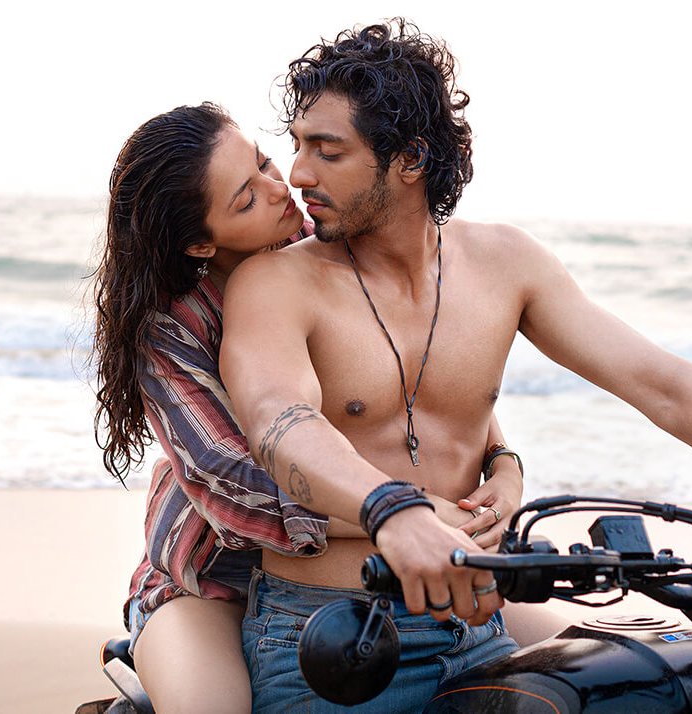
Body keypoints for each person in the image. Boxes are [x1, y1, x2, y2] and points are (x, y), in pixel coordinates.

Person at [219, 18, 692, 712]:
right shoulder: (278, 282)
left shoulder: (505, 265)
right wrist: (391, 510)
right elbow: (279, 419)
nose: (298, 172)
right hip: (330, 641)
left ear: (408, 159)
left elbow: (668, 389)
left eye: (327, 150)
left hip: (477, 626)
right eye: (297, 145)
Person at [89, 102, 526, 713]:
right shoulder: (172, 329)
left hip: (381, 558)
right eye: (245, 199)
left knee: (584, 661)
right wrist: (420, 516)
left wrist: (504, 467)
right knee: (213, 708)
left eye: (265, 163)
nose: (281, 188)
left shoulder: (331, 245)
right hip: (215, 581)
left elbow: (421, 381)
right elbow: (240, 491)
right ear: (198, 242)